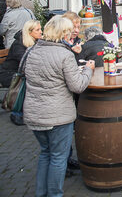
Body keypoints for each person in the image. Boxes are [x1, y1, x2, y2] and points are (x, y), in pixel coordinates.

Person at [24, 16, 94, 197]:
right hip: (57, 116)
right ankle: (54, 194)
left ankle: (41, 193)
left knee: (46, 153)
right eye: (69, 32)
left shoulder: (32, 51)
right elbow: (77, 86)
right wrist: (88, 69)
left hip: (34, 114)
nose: (71, 35)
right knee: (58, 158)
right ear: (63, 33)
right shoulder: (64, 55)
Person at [0, 19, 41, 87]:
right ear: (29, 32)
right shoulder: (19, 44)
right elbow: (25, 60)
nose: (41, 32)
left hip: (23, 74)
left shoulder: (36, 42)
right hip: (11, 75)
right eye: (37, 30)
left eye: (40, 29)